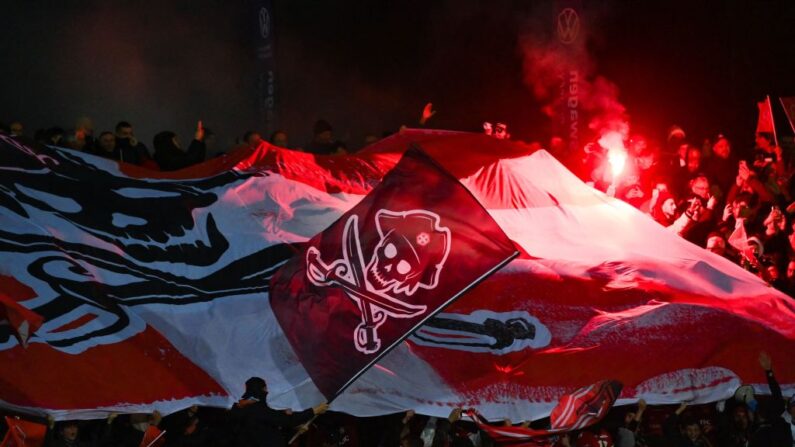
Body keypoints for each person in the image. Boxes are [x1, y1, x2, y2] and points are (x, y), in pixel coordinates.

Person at [230, 376, 328, 447]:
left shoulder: (240, 411)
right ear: (260, 389)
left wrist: (294, 430)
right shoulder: (256, 409)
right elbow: (285, 421)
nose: (267, 391)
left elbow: (266, 429)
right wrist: (313, 411)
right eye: (265, 388)